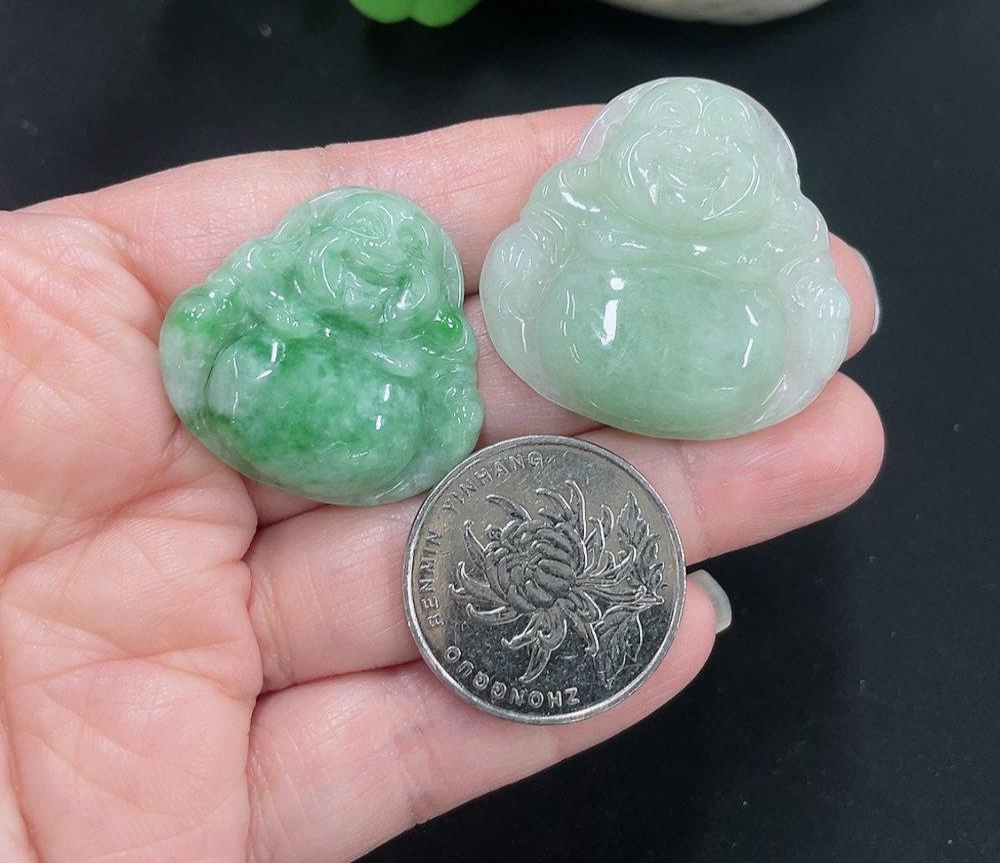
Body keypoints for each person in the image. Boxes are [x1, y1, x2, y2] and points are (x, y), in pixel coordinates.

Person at [0, 107, 883, 863]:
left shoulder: (769, 246)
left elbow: (457, 379)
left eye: (393, 267)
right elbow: (209, 324)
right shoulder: (263, 301)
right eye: (347, 250)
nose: (368, 270)